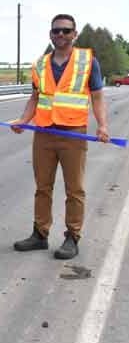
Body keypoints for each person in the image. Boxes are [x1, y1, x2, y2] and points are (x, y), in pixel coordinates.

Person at [12, 14, 109, 260]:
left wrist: (103, 126)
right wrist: (24, 120)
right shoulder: (41, 64)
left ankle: (72, 237)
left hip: (73, 133)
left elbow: (97, 97)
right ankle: (40, 234)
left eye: (66, 31)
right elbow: (35, 98)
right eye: (56, 31)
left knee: (74, 189)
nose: (61, 35)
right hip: (44, 132)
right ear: (50, 34)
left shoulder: (88, 61)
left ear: (74, 34)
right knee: (42, 187)